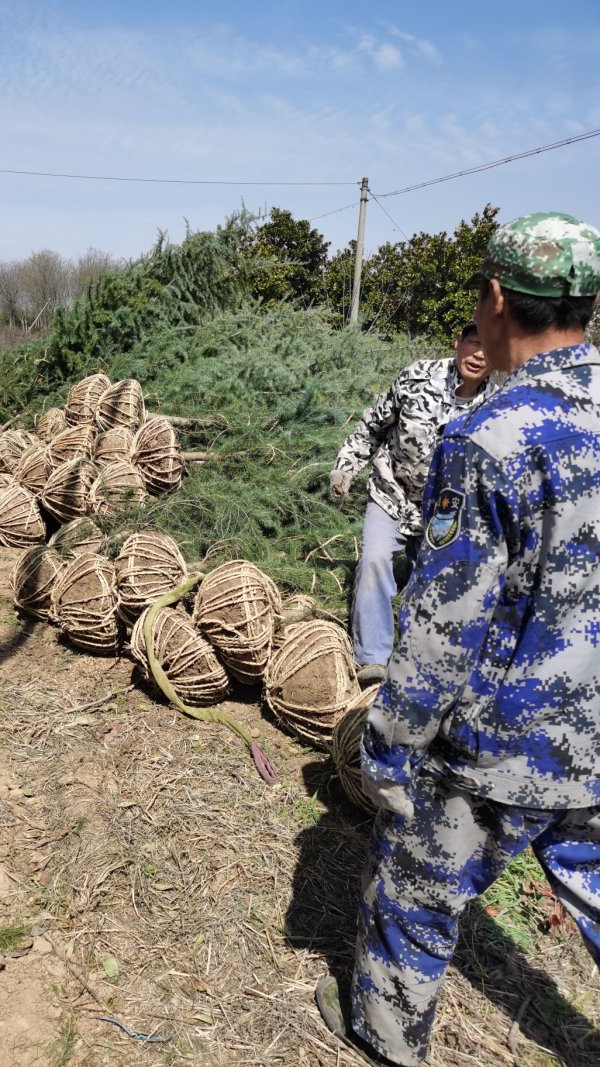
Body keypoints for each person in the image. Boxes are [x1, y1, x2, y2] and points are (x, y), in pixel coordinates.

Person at [315, 211, 600, 1066]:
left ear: (498, 298)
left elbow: (442, 627)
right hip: (595, 737)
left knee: (412, 887)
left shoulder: (489, 438)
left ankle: (384, 1032)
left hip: (493, 747)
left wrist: (389, 744)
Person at [328, 323, 492, 686]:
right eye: (474, 344)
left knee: (436, 584)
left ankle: (421, 666)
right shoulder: (417, 377)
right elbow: (373, 425)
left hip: (446, 510)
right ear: (458, 343)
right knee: (374, 560)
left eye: (489, 348)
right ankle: (372, 659)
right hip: (392, 492)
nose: (480, 355)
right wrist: (345, 468)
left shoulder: (498, 405)